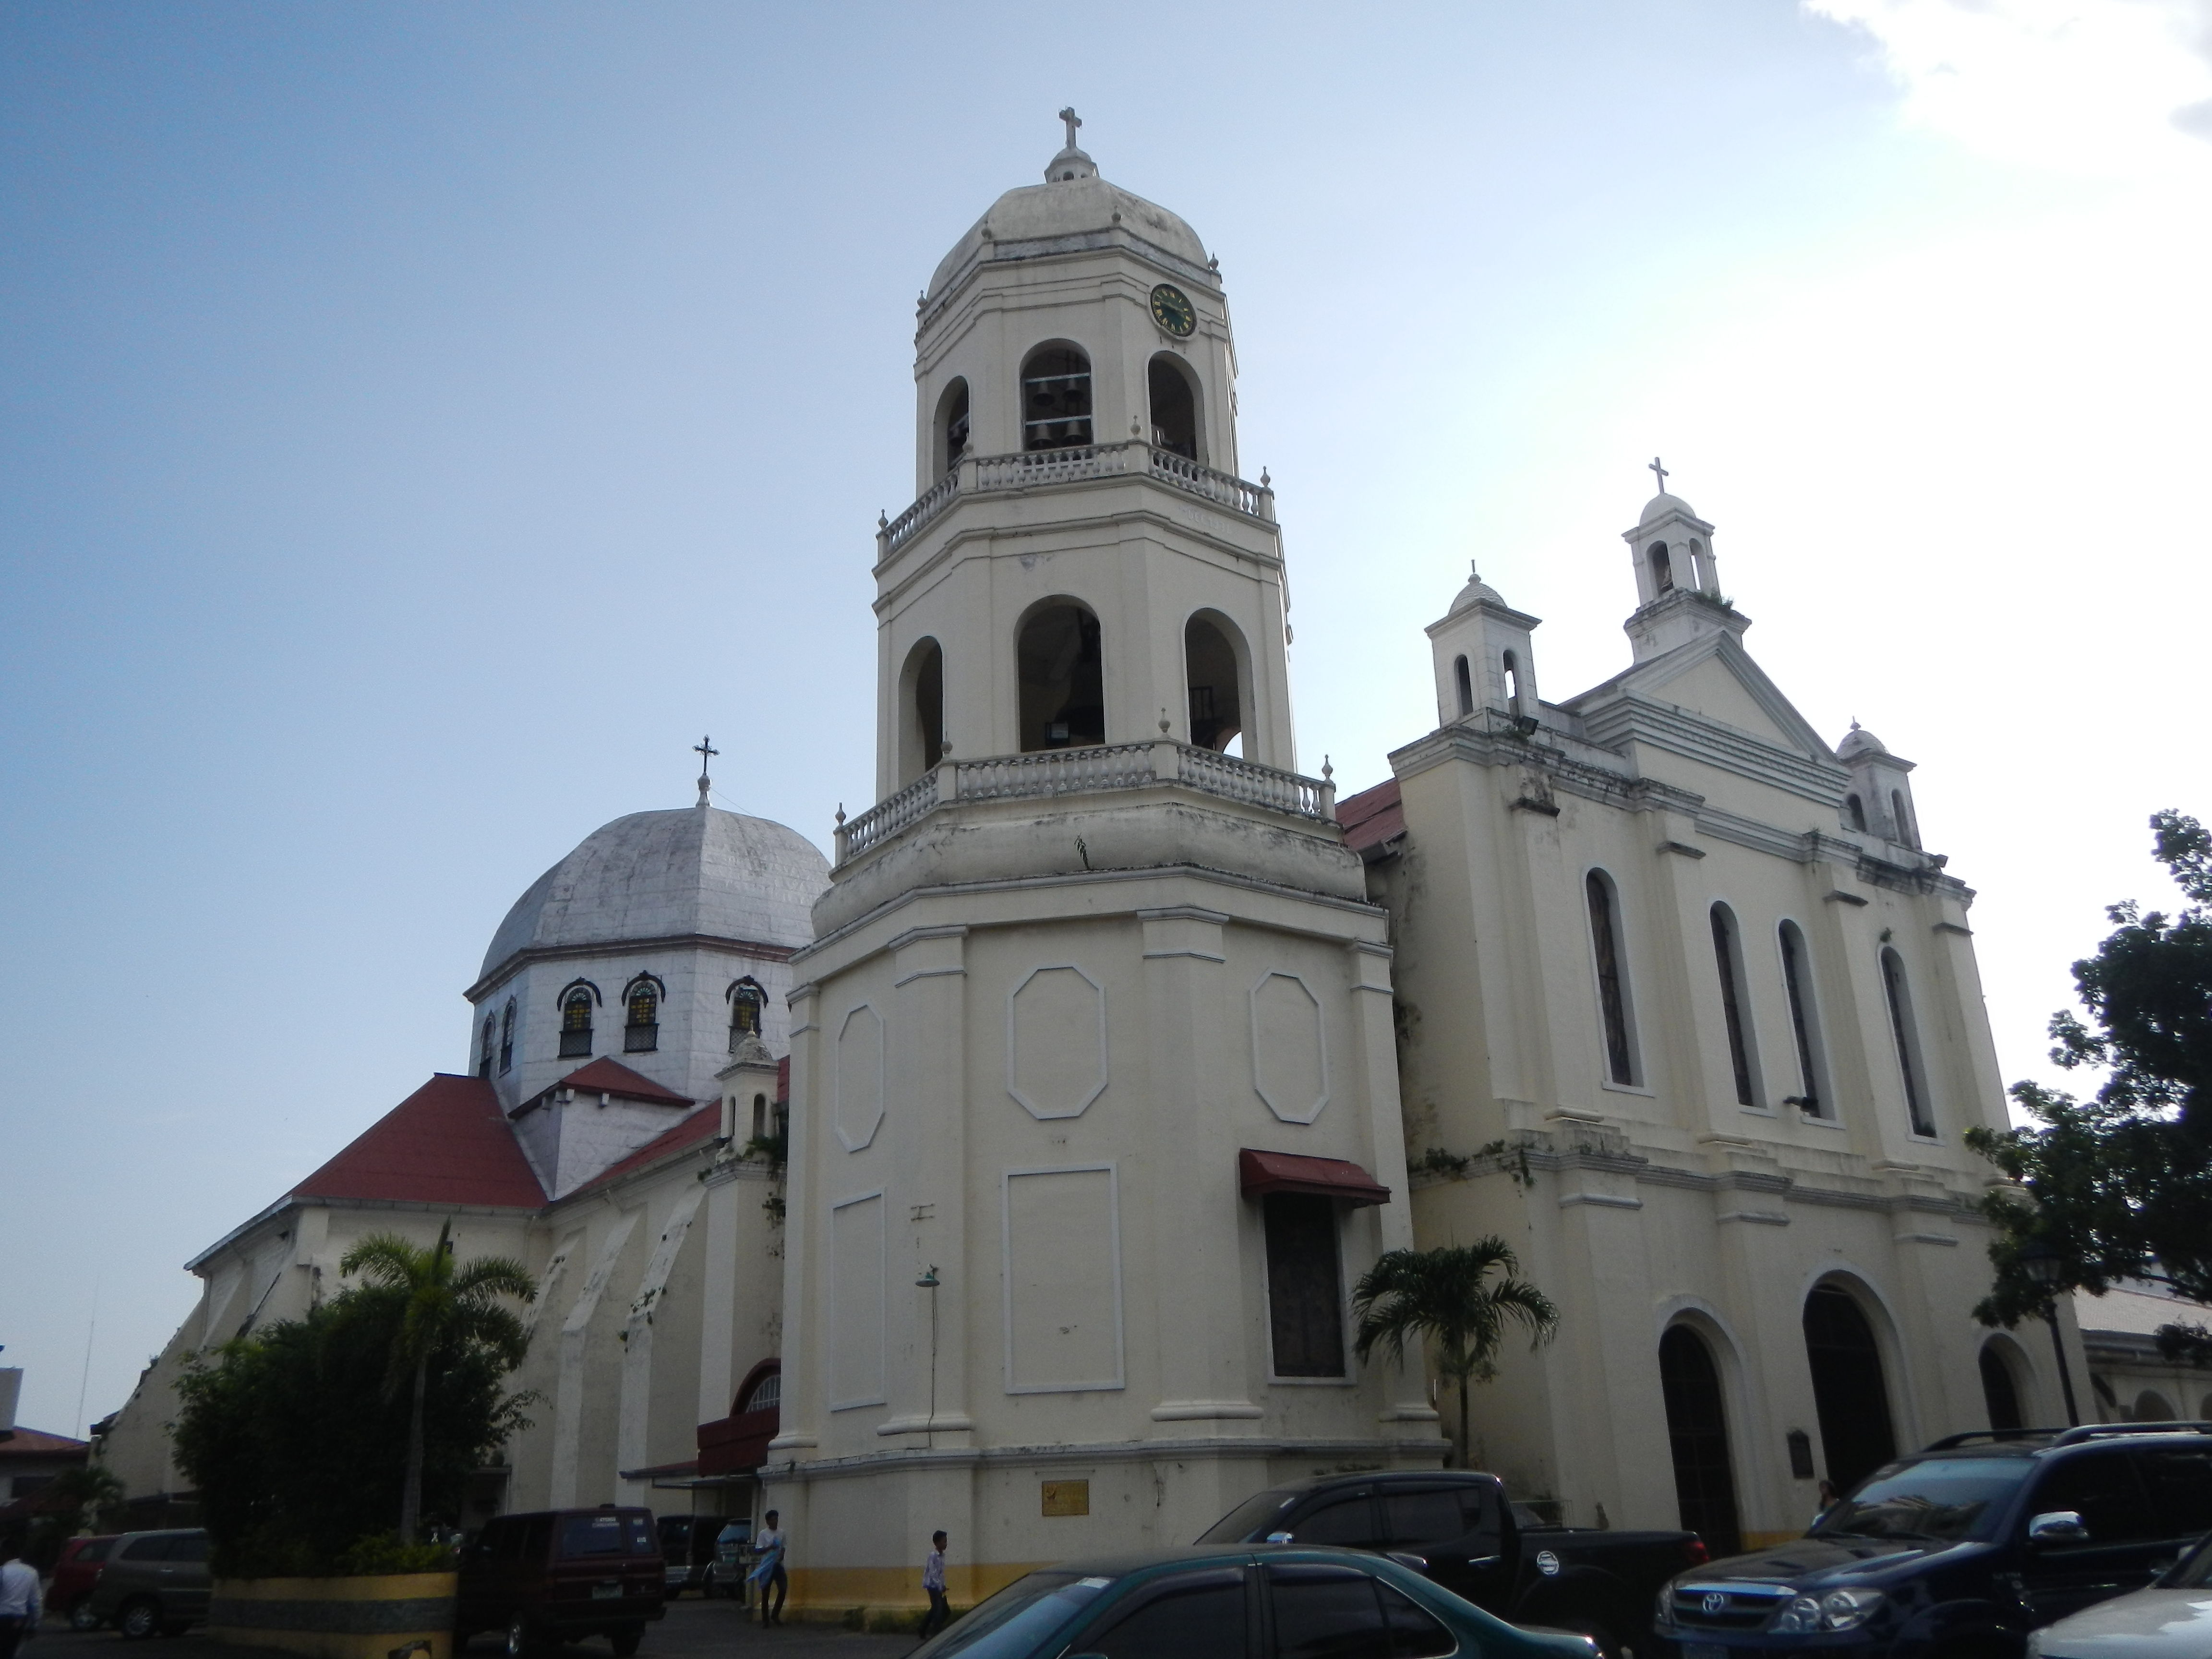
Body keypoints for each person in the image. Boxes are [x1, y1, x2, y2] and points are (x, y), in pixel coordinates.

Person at [0, 1539, 41, 1659]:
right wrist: (35, 1624)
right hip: (19, 1619)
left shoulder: (2, 1572)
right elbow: (36, 1602)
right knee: (11, 1652)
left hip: (1, 1616)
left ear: (5, 1553)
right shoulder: (31, 1572)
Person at [748, 1510, 786, 1627]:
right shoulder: (763, 1534)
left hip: (778, 1566)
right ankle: (765, 1619)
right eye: (773, 1519)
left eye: (776, 1519)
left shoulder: (782, 1532)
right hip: (767, 1565)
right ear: (768, 1521)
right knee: (766, 1592)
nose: (775, 1521)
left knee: (783, 1589)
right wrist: (770, 1547)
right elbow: (758, 1550)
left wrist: (781, 1555)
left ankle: (775, 1614)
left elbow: (784, 1547)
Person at [917, 1531, 950, 1640]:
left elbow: (941, 1573)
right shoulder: (933, 1556)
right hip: (932, 1585)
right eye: (944, 1541)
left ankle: (922, 1628)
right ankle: (936, 1633)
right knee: (938, 1609)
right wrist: (939, 1585)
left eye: (946, 1541)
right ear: (937, 1543)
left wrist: (943, 1585)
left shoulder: (942, 1556)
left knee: (936, 1609)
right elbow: (933, 1573)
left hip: (938, 1586)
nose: (946, 1544)